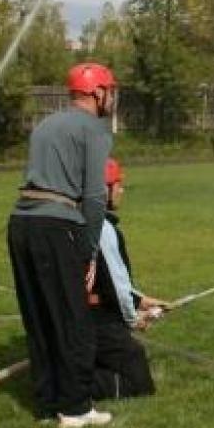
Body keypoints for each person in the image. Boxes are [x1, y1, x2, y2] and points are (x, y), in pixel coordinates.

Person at [7, 62, 117, 428]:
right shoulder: (95, 129)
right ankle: (75, 408)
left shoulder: (45, 125)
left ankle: (47, 403)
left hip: (21, 225)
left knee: (39, 318)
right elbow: (96, 196)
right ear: (97, 92)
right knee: (74, 321)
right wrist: (87, 253)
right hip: (57, 227)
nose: (112, 98)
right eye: (110, 90)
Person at [89, 157, 168, 401]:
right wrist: (134, 318)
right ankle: (69, 383)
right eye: (118, 185)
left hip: (85, 316)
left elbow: (108, 281)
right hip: (95, 321)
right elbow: (114, 285)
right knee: (139, 381)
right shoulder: (102, 229)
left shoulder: (82, 221)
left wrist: (141, 300)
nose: (122, 190)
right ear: (104, 190)